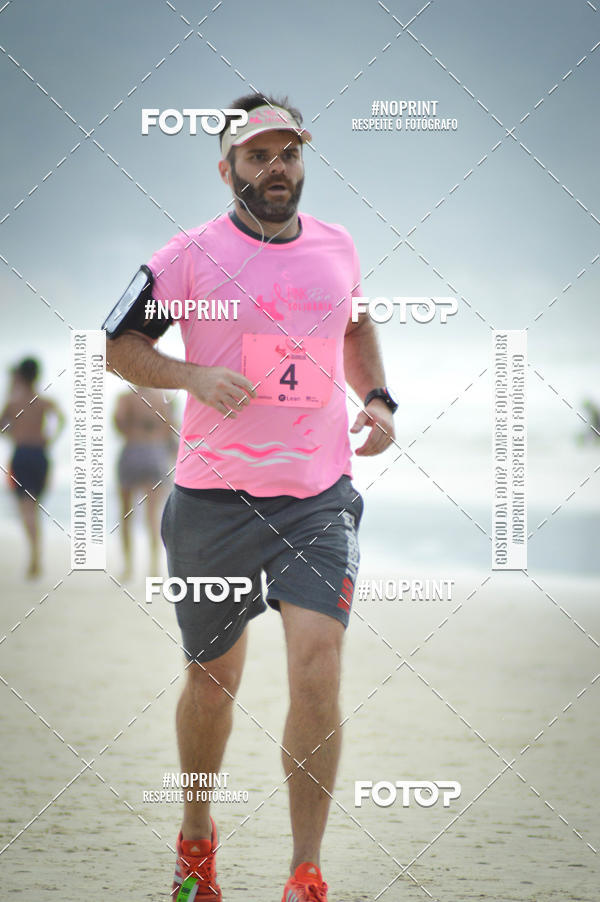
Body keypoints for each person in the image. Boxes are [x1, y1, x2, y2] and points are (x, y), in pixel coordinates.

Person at [105, 93, 397, 902]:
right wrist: (192, 375)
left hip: (317, 498)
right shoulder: (190, 255)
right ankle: (197, 837)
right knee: (213, 680)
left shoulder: (337, 247)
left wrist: (379, 400)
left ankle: (306, 870)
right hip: (213, 506)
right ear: (227, 167)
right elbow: (118, 344)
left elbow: (355, 328)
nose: (278, 168)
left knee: (319, 665)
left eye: (290, 153)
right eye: (260, 155)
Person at [0, 357, 65, 577]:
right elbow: (61, 419)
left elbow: (2, 427)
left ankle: (34, 556)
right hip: (40, 453)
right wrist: (50, 437)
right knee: (34, 505)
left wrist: (14, 434)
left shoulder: (13, 402)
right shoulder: (43, 401)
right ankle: (35, 555)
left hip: (22, 454)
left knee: (26, 507)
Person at [113, 387, 177, 579]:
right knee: (152, 515)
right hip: (155, 452)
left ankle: (128, 566)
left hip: (132, 449)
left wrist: (134, 429)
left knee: (126, 513)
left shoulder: (125, 398)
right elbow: (171, 427)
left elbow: (118, 423)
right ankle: (154, 567)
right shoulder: (162, 399)